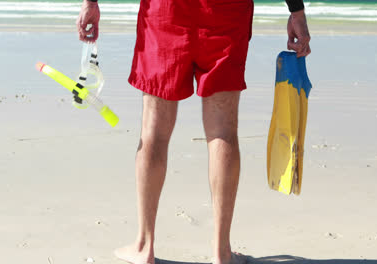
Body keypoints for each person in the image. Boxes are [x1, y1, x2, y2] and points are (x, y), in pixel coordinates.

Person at [77, 0, 310, 263]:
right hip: (226, 12)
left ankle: (144, 245)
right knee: (223, 129)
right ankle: (221, 252)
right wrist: (296, 10)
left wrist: (90, 3)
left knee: (154, 129)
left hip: (166, 10)